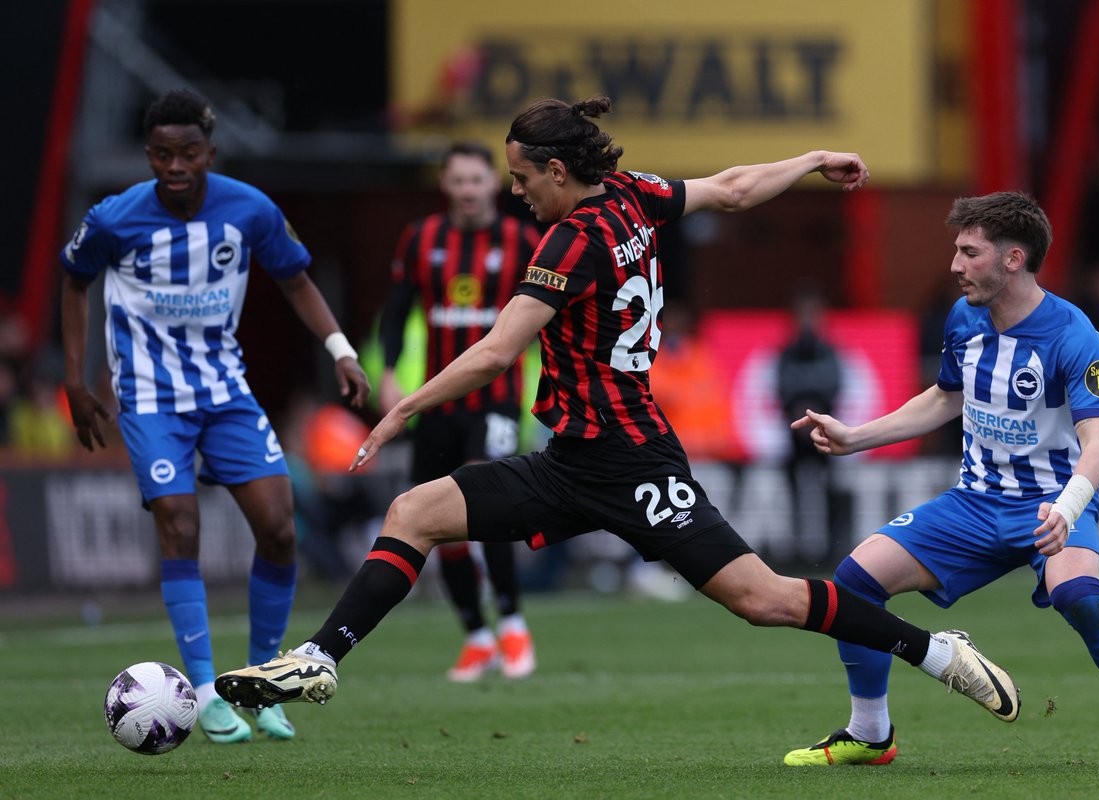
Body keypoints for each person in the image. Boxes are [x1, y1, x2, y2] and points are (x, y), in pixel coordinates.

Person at [216, 97, 1021, 761]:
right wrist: (809, 158)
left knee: (765, 599)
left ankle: (936, 652)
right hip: (572, 460)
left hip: (632, 460)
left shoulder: (570, 240)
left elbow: (498, 351)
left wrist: (401, 406)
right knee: (414, 514)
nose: (516, 192)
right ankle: (320, 660)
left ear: (559, 172)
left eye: (523, 178)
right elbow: (735, 188)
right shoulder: (632, 193)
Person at [788, 191, 1099, 768]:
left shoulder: (1074, 334)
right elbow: (946, 397)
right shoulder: (963, 317)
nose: (955, 265)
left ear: (1013, 259)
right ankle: (870, 733)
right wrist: (855, 437)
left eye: (969, 252)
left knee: (1080, 596)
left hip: (1050, 502)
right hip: (973, 504)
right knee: (853, 583)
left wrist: (1068, 509)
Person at [59, 89, 370, 744]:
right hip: (148, 394)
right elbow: (75, 280)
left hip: (225, 390)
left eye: (189, 153)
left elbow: (295, 279)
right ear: (149, 155)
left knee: (280, 528)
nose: (175, 166)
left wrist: (340, 350)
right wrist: (76, 379)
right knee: (179, 520)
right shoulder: (115, 218)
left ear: (210, 154)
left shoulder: (249, 209)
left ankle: (258, 686)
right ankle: (203, 691)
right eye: (162, 154)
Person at [377, 141, 541, 682]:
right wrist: (388, 375)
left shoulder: (522, 241)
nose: (468, 191)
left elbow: (552, 317)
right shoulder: (421, 239)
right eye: (458, 181)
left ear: (493, 184)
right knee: (431, 516)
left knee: (486, 507)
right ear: (444, 185)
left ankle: (513, 625)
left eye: (477, 180)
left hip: (494, 401)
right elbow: (397, 314)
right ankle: (475, 634)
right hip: (439, 405)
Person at [775, 288, 842, 561]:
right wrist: (802, 420)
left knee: (830, 489)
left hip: (824, 435)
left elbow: (834, 389)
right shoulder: (786, 354)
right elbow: (781, 391)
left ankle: (833, 546)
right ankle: (795, 547)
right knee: (790, 491)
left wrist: (814, 417)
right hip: (794, 436)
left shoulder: (829, 353)